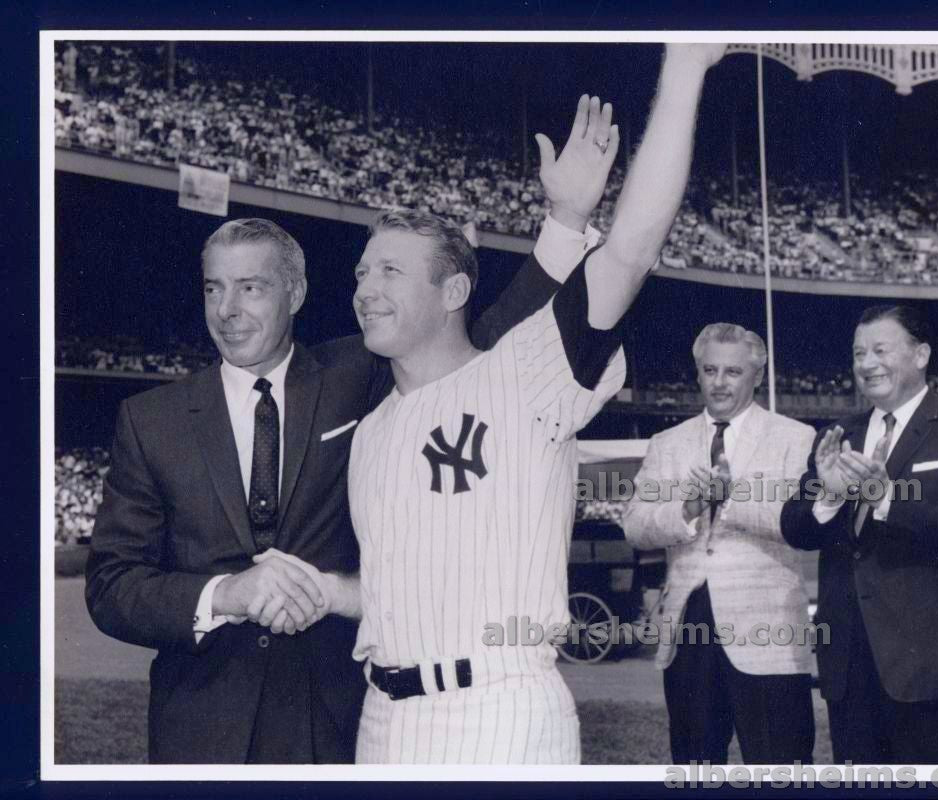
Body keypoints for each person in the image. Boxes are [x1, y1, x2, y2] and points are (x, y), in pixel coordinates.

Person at [84, 95, 618, 764]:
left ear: (295, 293)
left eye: (251, 287)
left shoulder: (357, 374)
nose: (227, 309)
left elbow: (480, 338)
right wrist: (224, 595)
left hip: (339, 719)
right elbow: (112, 586)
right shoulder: (150, 419)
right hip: (204, 723)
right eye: (213, 288)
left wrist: (565, 223)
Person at [344, 43, 726, 764]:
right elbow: (398, 586)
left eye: (390, 270)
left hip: (498, 711)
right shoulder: (372, 431)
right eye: (363, 272)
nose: (365, 288)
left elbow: (629, 250)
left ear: (454, 292)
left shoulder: (523, 374)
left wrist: (683, 66)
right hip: (381, 718)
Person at [780, 305, 938, 764]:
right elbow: (794, 527)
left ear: (921, 355)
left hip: (929, 666)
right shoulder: (839, 435)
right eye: (858, 353)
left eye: (880, 350)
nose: (866, 363)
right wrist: (828, 495)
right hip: (849, 666)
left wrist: (885, 499)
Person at [623, 323, 817, 764]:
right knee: (695, 766)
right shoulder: (667, 443)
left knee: (781, 768)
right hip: (689, 627)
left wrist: (730, 499)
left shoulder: (796, 437)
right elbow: (635, 526)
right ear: (697, 373)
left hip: (769, 634)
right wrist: (687, 508)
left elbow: (798, 525)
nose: (719, 382)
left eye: (733, 372)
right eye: (710, 370)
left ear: (757, 375)